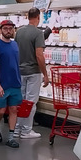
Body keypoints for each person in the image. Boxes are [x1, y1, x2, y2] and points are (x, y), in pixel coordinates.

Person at [14, 7, 50, 139]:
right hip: (33, 72)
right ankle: (27, 130)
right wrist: (45, 74)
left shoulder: (19, 32)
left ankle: (17, 129)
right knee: (31, 102)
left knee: (20, 101)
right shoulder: (38, 33)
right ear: (38, 17)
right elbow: (39, 55)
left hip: (20, 71)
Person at [0, 20, 22, 149]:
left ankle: (11, 137)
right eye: (5, 28)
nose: (8, 30)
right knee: (1, 110)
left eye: (11, 28)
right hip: (2, 84)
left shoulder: (15, 45)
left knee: (14, 109)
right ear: (1, 30)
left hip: (15, 83)